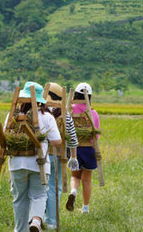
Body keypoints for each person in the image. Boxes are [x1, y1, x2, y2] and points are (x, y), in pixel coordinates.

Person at [3, 82, 62, 232]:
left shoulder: (12, 116)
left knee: (19, 199)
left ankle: (20, 229)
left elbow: (4, 138)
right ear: (40, 101)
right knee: (39, 195)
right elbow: (57, 142)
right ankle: (36, 220)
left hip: (17, 164)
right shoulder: (47, 116)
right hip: (39, 164)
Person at [44, 83, 79, 230]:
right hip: (58, 156)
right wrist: (73, 157)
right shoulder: (65, 114)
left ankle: (36, 218)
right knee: (54, 188)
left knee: (39, 188)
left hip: (40, 156)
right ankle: (51, 222)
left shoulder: (39, 111)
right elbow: (72, 138)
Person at [65, 82, 100, 214]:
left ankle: (73, 191)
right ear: (89, 97)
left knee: (75, 176)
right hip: (89, 149)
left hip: (74, 149)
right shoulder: (93, 113)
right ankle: (85, 208)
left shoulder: (70, 110)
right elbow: (96, 135)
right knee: (87, 179)